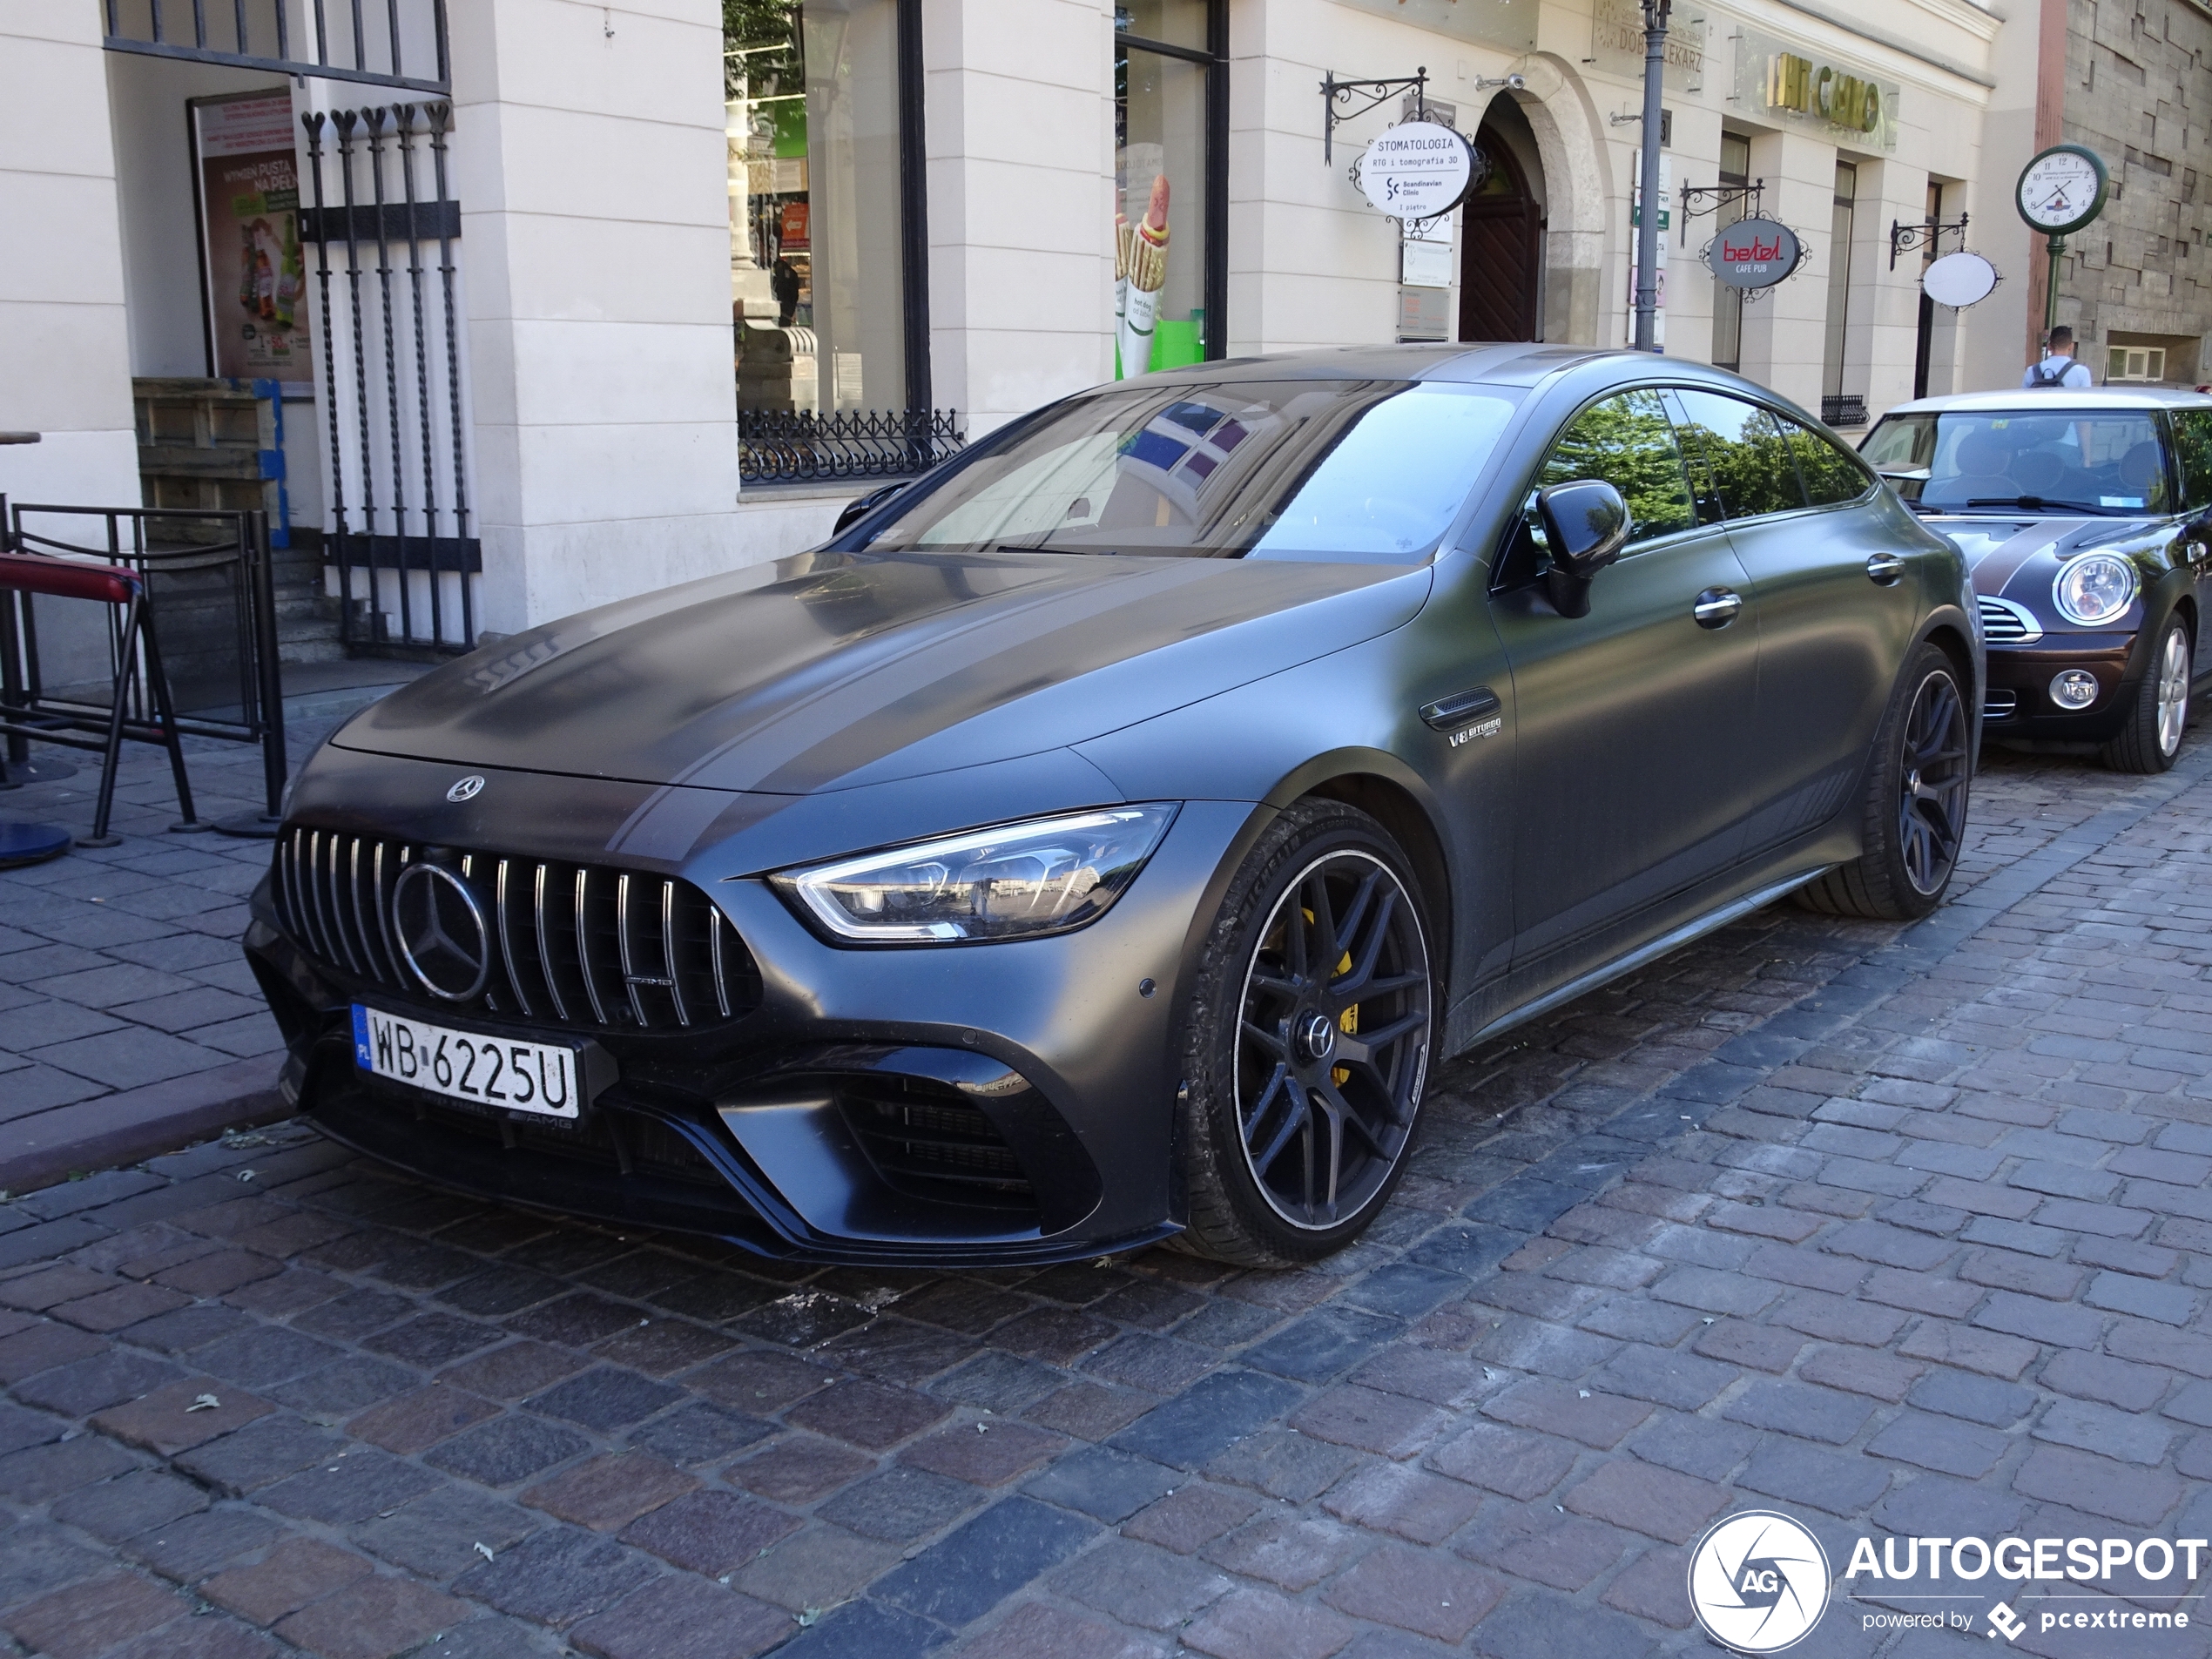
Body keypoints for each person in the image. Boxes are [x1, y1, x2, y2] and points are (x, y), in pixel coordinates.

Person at [2022, 326, 2094, 388]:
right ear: (2071, 346)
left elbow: (2023, 400)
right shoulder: (2082, 373)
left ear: (2049, 346)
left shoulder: (2032, 371)